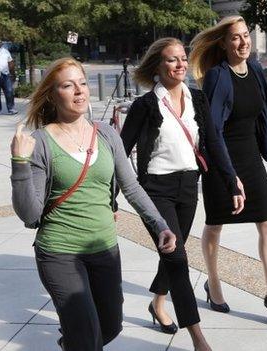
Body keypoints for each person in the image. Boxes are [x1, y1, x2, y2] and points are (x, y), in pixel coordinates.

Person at [10, 57, 177, 351]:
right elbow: (29, 214)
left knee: (111, 326)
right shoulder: (40, 143)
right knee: (87, 338)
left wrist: (160, 225)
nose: (79, 91)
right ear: (52, 94)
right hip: (60, 252)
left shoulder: (107, 134)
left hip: (104, 249)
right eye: (67, 85)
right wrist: (20, 164)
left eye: (83, 83)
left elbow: (132, 188)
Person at [121, 37, 241, 350]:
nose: (180, 64)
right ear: (157, 68)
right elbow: (120, 152)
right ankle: (198, 337)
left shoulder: (197, 99)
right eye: (172, 60)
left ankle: (157, 302)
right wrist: (109, 195)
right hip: (156, 190)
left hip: (188, 187)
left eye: (183, 58)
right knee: (178, 259)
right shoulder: (145, 106)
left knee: (174, 252)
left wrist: (232, 180)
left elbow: (213, 143)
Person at [188, 15, 267, 322]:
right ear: (223, 43)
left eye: (245, 35)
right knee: (215, 224)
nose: (243, 42)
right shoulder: (216, 76)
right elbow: (211, 131)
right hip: (221, 160)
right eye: (235, 37)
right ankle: (213, 282)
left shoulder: (255, 69)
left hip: (249, 158)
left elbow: (264, 112)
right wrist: (228, 176)